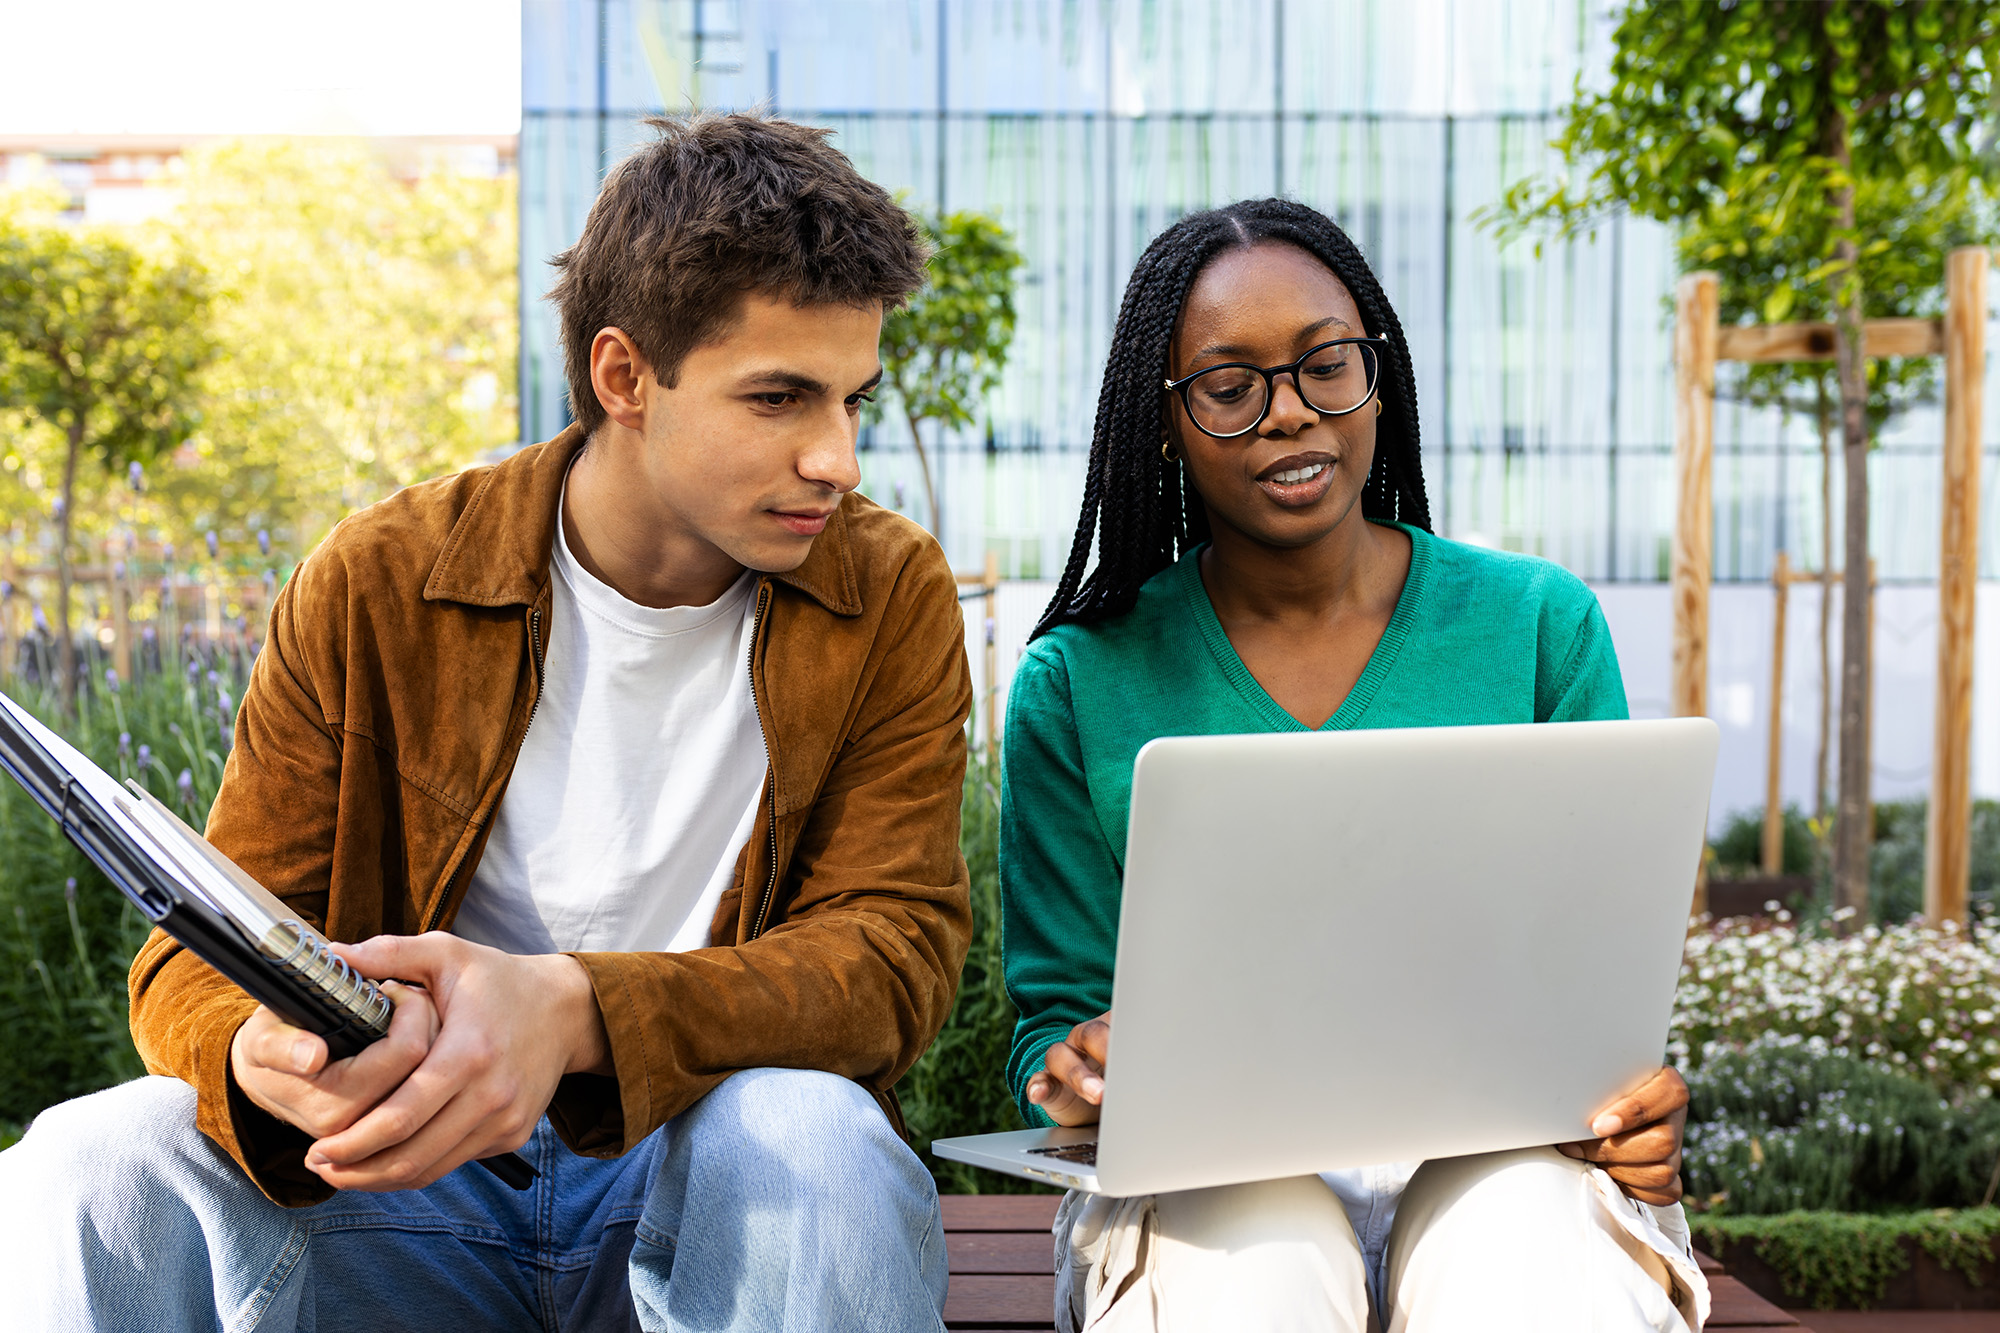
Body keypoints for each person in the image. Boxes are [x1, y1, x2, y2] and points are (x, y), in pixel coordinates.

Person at [1, 111, 972, 1333]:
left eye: (850, 400)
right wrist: (257, 1054)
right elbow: (199, 946)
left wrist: (572, 1009)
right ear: (624, 376)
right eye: (779, 397)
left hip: (693, 1185)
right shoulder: (378, 579)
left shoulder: (885, 592)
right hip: (402, 1180)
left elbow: (893, 953)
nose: (836, 457)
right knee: (94, 1158)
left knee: (808, 1130)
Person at [1000, 199, 1708, 1333]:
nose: (1289, 415)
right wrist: (1079, 1067)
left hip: (1507, 1162)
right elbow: (1051, 1025)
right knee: (1254, 1267)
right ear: (1165, 422)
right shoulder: (1079, 682)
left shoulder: (1537, 627)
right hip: (1207, 1182)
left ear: (1378, 374)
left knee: (1526, 1263)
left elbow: (1601, 1004)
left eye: (1326, 365)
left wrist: (1634, 1106)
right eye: (1228, 389)